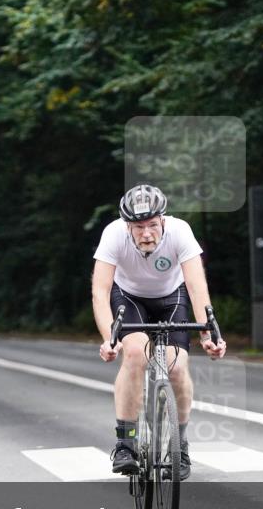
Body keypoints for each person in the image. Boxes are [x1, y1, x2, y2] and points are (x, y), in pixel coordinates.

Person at [92, 184, 226, 480]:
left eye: (152, 225)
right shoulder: (113, 234)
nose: (147, 233)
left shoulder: (180, 231)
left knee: (176, 367)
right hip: (129, 297)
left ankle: (180, 445)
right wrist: (108, 339)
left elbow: (195, 285)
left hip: (171, 297)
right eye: (138, 227)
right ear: (127, 227)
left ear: (163, 220)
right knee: (136, 353)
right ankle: (125, 443)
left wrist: (208, 335)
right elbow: (100, 293)